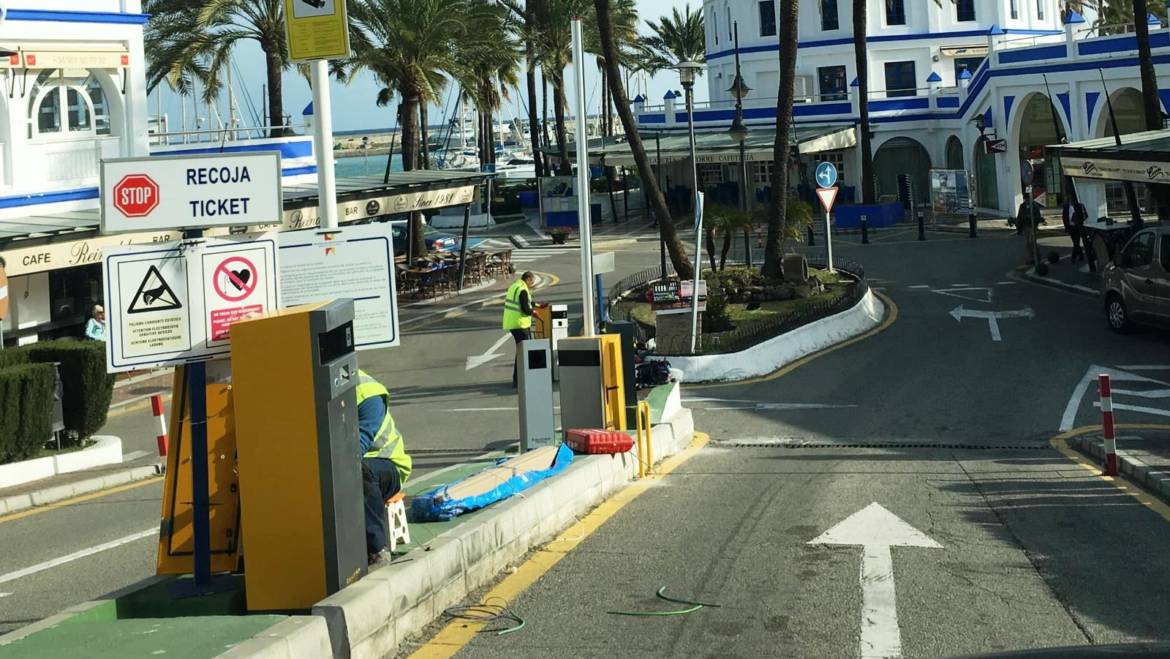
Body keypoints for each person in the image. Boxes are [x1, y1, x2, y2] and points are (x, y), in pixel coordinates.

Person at [356, 370, 412, 566]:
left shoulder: (367, 394)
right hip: (364, 467)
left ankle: (377, 549)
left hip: (389, 466)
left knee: (358, 468)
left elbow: (357, 447)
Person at [502, 271, 536, 387]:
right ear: (528, 279)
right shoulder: (523, 289)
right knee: (523, 352)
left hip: (512, 323)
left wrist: (536, 305)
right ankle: (519, 379)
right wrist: (533, 312)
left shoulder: (515, 286)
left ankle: (518, 378)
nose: (533, 284)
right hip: (520, 324)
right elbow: (526, 308)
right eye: (532, 281)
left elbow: (526, 302)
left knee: (521, 351)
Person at [1015, 197, 1043, 265]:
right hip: (1025, 226)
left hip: (1032, 226)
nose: (1026, 200)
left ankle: (1037, 256)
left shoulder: (1035, 206)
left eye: (1028, 199)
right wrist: (1019, 228)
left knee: (1032, 241)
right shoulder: (1022, 206)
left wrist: (1032, 219)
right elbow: (1019, 217)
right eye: (1025, 199)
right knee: (1027, 243)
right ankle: (1031, 258)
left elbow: (1038, 216)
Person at [1062, 196, 1088, 263]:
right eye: (1070, 199)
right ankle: (1081, 254)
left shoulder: (1080, 206)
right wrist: (1066, 226)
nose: (1071, 200)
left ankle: (1073, 257)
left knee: (1076, 242)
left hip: (1078, 227)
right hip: (1070, 227)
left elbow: (1085, 215)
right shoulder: (1066, 206)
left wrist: (1078, 220)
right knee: (1075, 242)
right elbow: (1064, 217)